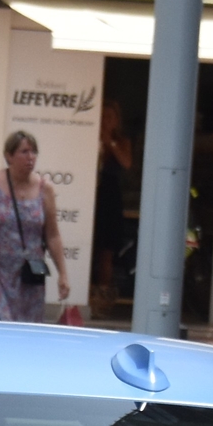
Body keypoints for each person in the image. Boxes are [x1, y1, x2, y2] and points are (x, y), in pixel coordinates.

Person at [0, 129, 70, 322]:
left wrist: (63, 274)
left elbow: (52, 235)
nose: (30, 157)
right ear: (9, 156)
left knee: (26, 335)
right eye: (24, 152)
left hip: (29, 276)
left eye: (33, 152)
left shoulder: (45, 189)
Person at [91, 98, 132, 313]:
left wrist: (110, 143)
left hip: (110, 197)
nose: (106, 121)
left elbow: (126, 163)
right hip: (91, 196)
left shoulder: (122, 141)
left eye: (110, 117)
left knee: (107, 250)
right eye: (103, 116)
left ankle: (103, 297)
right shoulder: (88, 136)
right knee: (91, 247)